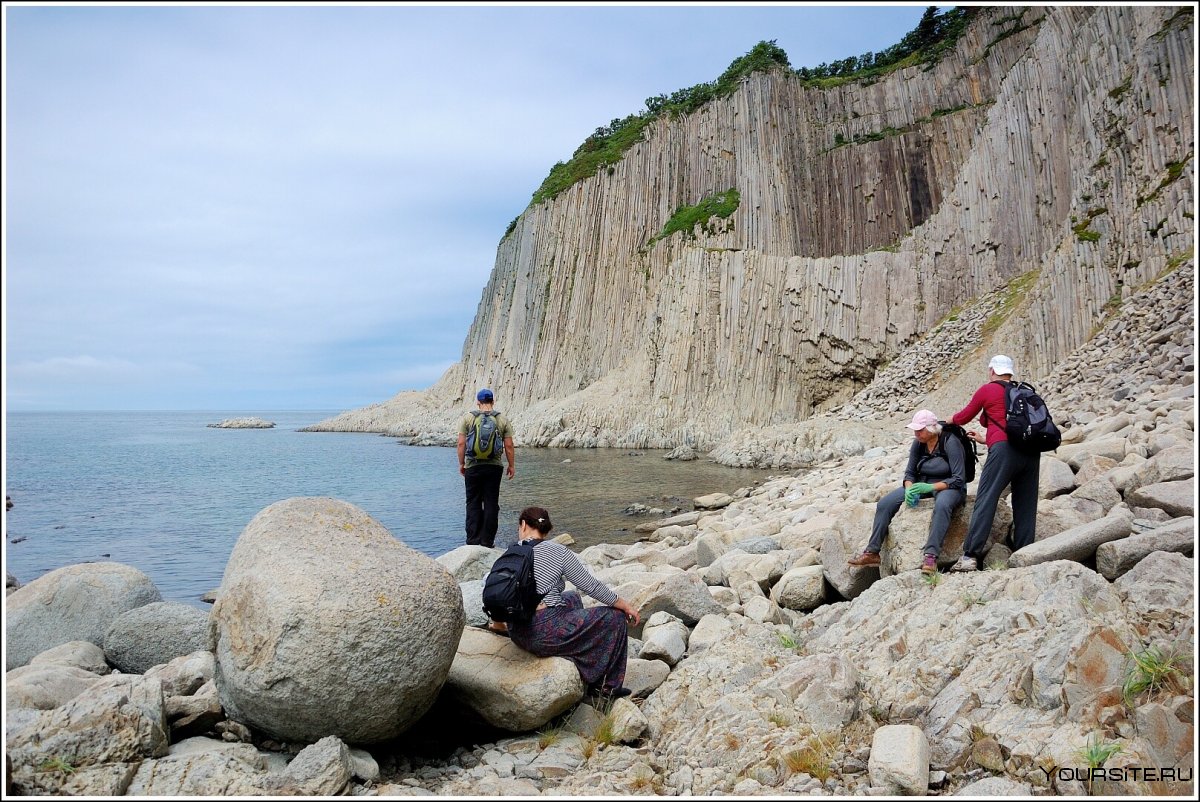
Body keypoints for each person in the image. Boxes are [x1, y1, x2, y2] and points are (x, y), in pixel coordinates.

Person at [504, 506, 641, 700]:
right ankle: (606, 688)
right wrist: (626, 606)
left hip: (517, 631)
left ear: (524, 525)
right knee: (616, 618)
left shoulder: (511, 552)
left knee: (572, 597)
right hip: (543, 632)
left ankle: (580, 655)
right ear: (548, 530)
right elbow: (591, 586)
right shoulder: (558, 551)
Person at [948, 354, 1041, 571]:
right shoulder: (1024, 391)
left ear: (992, 371)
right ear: (1010, 372)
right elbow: (1005, 423)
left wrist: (945, 421)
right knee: (1026, 503)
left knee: (987, 497)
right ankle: (1024, 554)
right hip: (1031, 452)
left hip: (1004, 451)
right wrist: (983, 439)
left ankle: (970, 556)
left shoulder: (988, 389)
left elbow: (963, 417)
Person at [848, 410, 968, 574]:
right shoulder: (918, 443)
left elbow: (959, 478)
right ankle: (872, 552)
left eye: (920, 430)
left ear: (932, 428)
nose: (916, 433)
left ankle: (931, 557)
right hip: (921, 483)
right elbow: (910, 473)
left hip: (949, 486)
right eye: (915, 430)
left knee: (942, 505)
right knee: (885, 503)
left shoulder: (950, 442)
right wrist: (910, 488)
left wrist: (931, 487)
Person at [457, 388, 515, 547]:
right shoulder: (502, 419)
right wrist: (511, 465)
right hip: (494, 467)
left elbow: (461, 443)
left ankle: (473, 540)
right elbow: (508, 446)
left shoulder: (468, 418)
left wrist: (461, 463)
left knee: (473, 502)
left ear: (478, 402)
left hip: (472, 467)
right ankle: (487, 541)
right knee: (491, 502)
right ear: (492, 402)